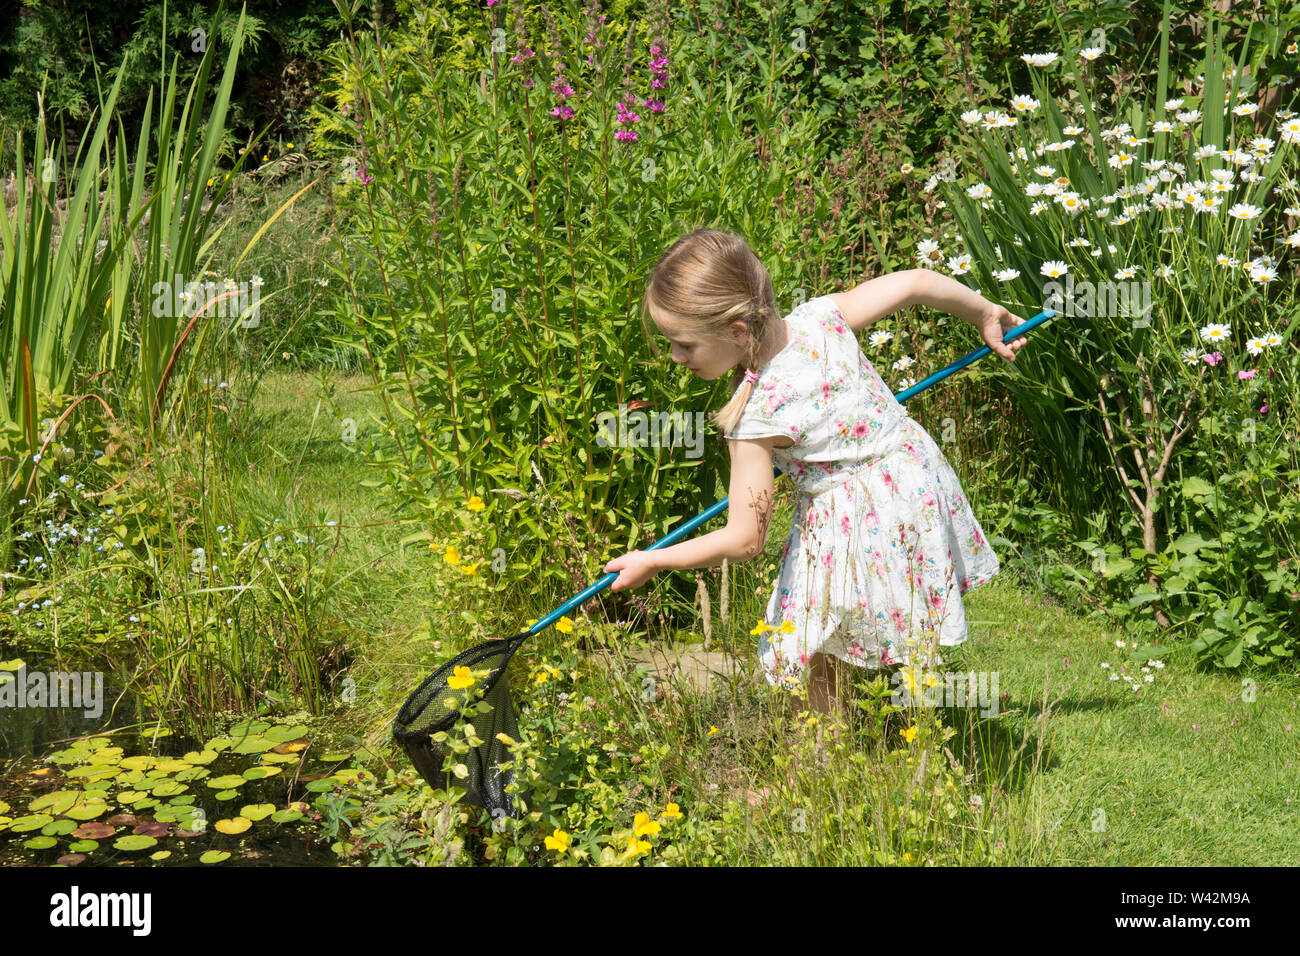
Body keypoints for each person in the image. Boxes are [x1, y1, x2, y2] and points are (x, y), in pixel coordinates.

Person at [603, 227, 1026, 724]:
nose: (676, 358)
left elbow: (744, 540)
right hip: (912, 484)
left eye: (684, 344)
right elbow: (914, 282)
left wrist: (655, 560)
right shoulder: (822, 316)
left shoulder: (753, 420)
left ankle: (827, 760)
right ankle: (917, 733)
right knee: (905, 614)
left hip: (853, 516)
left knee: (815, 646)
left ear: (738, 331)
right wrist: (984, 313)